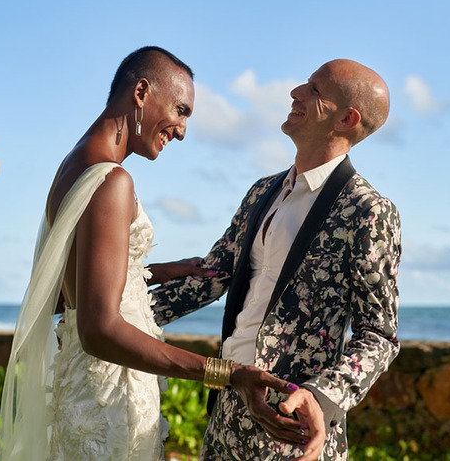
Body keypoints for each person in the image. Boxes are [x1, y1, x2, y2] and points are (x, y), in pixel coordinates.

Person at [0, 46, 304, 461]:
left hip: (83, 392)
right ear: (141, 92)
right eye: (180, 110)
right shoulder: (112, 181)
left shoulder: (74, 166)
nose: (181, 131)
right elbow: (98, 328)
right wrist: (226, 374)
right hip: (110, 399)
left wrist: (157, 271)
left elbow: (65, 292)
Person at [150, 59, 402, 461]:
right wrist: (115, 311)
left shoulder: (368, 211)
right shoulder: (262, 191)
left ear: (346, 119)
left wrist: (320, 396)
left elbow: (379, 334)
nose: (295, 92)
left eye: (314, 90)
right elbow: (211, 277)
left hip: (293, 425)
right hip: (227, 407)